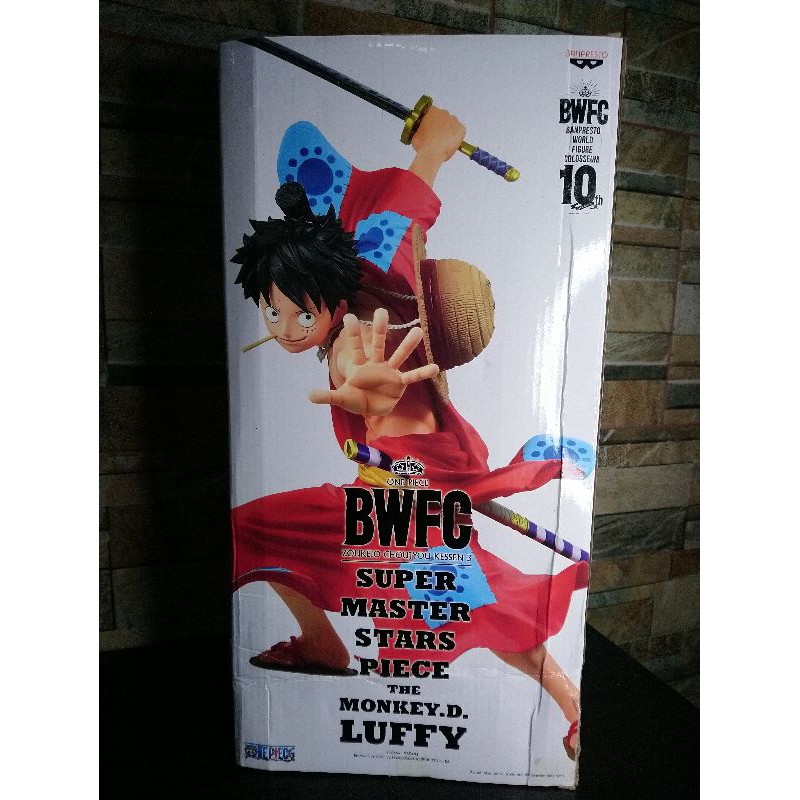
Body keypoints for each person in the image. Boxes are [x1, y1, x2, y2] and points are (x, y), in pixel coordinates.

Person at [230, 108, 586, 759]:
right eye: (271, 312)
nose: (283, 330)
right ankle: (325, 646)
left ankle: (568, 701)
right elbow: (400, 218)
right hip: (401, 493)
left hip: (400, 502)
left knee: (470, 599)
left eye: (298, 315)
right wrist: (433, 148)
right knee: (478, 601)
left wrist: (363, 386)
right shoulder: (378, 275)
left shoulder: (356, 339)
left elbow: (358, 365)